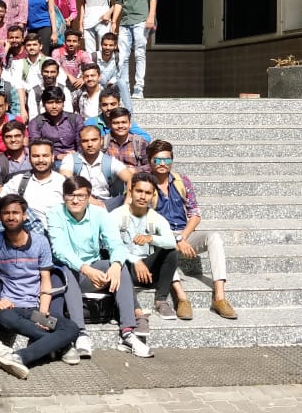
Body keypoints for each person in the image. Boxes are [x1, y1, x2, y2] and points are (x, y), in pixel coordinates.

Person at [0, 194, 80, 379]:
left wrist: (43, 313)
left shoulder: (40, 242)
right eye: (6, 213)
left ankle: (18, 357)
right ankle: (60, 345)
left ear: (24, 216)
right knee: (3, 316)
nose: (11, 217)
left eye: (16, 213)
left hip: (35, 310)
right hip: (11, 309)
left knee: (71, 328)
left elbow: (45, 280)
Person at [48, 176, 149, 358]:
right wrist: (85, 269)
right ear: (64, 197)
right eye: (70, 195)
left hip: (94, 268)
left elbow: (116, 244)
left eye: (81, 196)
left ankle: (127, 332)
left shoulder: (100, 214)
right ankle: (80, 333)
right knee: (65, 269)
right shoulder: (55, 213)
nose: (75, 200)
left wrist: (116, 265)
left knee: (120, 266)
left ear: (89, 197)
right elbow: (60, 250)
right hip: (68, 272)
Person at [147, 139, 238, 321]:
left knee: (214, 237)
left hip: (184, 233)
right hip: (160, 236)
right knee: (163, 246)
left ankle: (219, 297)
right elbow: (147, 220)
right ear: (150, 161)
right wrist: (174, 239)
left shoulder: (182, 181)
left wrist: (182, 237)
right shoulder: (145, 184)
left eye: (167, 159)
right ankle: (181, 298)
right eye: (157, 160)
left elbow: (195, 214)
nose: (162, 164)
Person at [114, 173, 180, 322]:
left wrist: (151, 238)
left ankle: (161, 300)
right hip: (125, 269)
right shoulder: (116, 215)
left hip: (148, 271)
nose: (143, 196)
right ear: (130, 191)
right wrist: (135, 260)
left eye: (148, 193)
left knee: (170, 252)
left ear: (153, 195)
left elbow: (172, 242)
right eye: (139, 191)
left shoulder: (156, 217)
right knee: (114, 259)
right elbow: (110, 245)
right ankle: (133, 308)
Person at [115, 0, 157, 99]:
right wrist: (114, 22)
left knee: (140, 54)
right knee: (123, 56)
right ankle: (125, 87)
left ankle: (139, 87)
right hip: (124, 22)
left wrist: (151, 16)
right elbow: (118, 2)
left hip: (141, 20)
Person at [59, 125, 133, 211]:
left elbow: (131, 178)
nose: (90, 144)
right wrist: (89, 199)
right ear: (80, 143)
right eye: (85, 141)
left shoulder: (111, 162)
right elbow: (65, 180)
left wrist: (127, 203)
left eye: (94, 140)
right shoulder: (71, 159)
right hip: (79, 201)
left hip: (107, 203)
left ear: (101, 141)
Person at [0, 138, 65, 224]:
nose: (40, 160)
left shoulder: (63, 182)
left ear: (52, 157)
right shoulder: (18, 181)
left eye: (45, 156)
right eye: (36, 156)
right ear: (29, 158)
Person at [27, 87, 83, 161]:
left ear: (63, 104)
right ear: (43, 104)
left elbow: (82, 142)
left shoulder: (75, 119)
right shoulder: (36, 123)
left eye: (58, 102)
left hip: (75, 158)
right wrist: (56, 156)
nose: (54, 106)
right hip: (49, 160)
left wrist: (77, 154)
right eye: (50, 102)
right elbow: (36, 147)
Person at [102, 106, 150, 173]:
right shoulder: (103, 142)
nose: (120, 126)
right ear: (110, 125)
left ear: (130, 124)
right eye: (116, 123)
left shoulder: (139, 142)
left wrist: (135, 170)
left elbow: (150, 166)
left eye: (124, 122)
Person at [89, 32, 129, 110]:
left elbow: (119, 75)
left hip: (113, 87)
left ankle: (129, 113)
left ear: (115, 46)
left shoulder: (119, 57)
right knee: (100, 77)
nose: (107, 47)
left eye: (110, 45)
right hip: (97, 87)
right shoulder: (93, 56)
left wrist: (112, 81)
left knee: (122, 82)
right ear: (101, 45)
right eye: (105, 45)